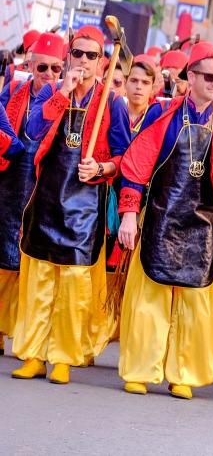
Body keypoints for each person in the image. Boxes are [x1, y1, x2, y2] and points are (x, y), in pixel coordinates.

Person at [115, 42, 213, 399]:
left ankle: (183, 374)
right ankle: (141, 369)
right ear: (190, 77)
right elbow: (135, 168)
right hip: (162, 216)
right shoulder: (166, 114)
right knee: (149, 299)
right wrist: (129, 214)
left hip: (203, 223)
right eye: (208, 76)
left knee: (194, 304)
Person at [12, 26, 129, 384]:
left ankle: (62, 357)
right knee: (39, 282)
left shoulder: (112, 101)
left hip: (84, 206)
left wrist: (103, 166)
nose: (83, 61)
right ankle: (32, 354)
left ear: (101, 61)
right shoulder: (51, 91)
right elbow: (32, 130)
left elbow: (125, 156)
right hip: (46, 198)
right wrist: (61, 92)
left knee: (72, 287)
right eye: (77, 53)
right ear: (68, 56)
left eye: (91, 55)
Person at [0, 32, 63, 351]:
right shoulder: (11, 92)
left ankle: (30, 334)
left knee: (34, 264)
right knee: (3, 260)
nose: (50, 76)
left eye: (56, 70)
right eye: (43, 69)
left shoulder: (67, 100)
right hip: (10, 182)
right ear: (30, 66)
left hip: (46, 186)